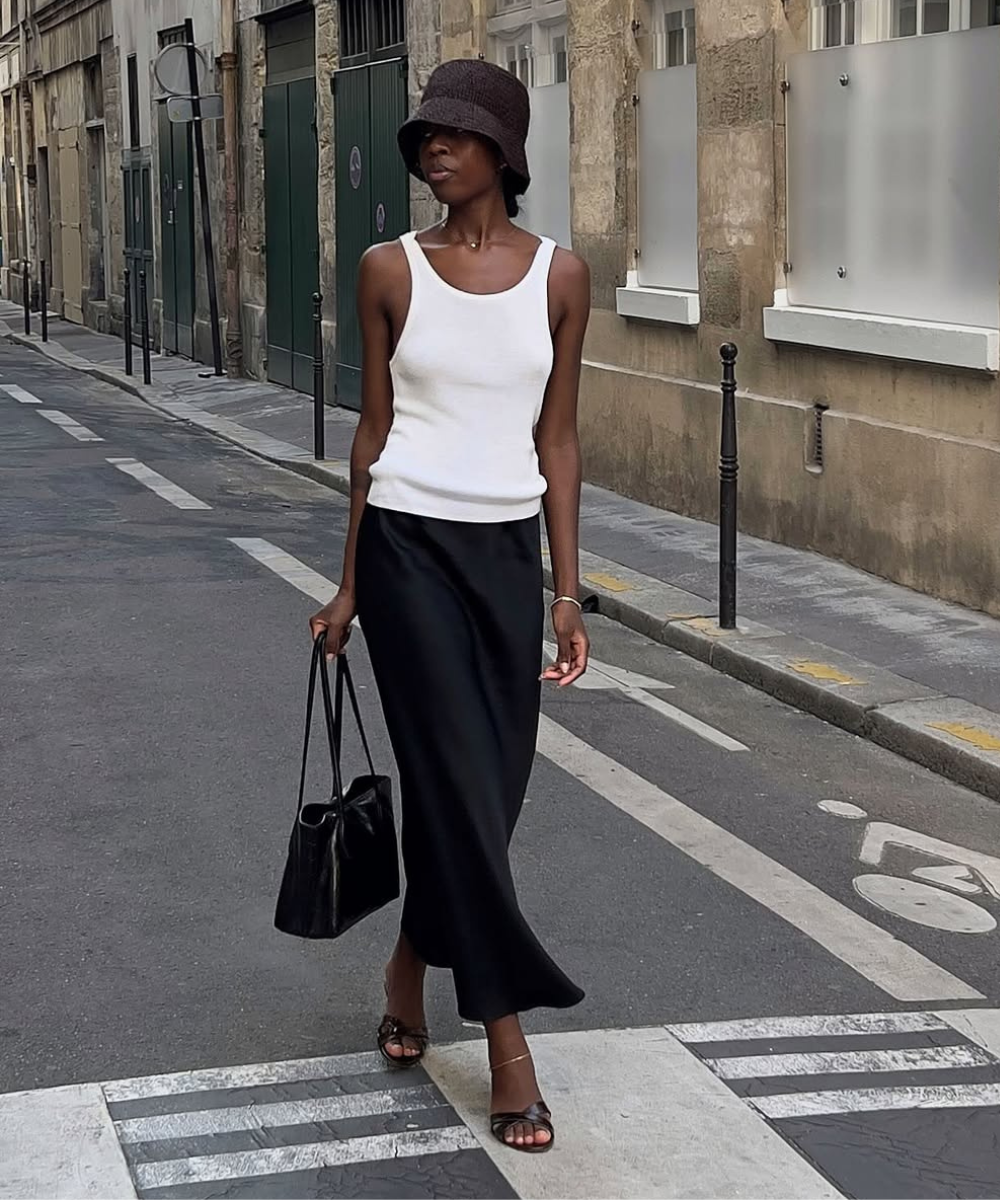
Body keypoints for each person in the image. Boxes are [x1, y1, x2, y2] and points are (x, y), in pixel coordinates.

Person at [309, 58, 590, 1154]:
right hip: (407, 551)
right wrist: (347, 581)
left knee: (490, 791)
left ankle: (406, 968)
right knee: (459, 790)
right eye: (425, 133)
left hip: (504, 559)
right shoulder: (388, 270)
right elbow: (370, 438)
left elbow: (558, 441)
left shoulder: (561, 276)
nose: (434, 147)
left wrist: (567, 593)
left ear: (504, 154)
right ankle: (510, 1042)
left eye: (457, 135)